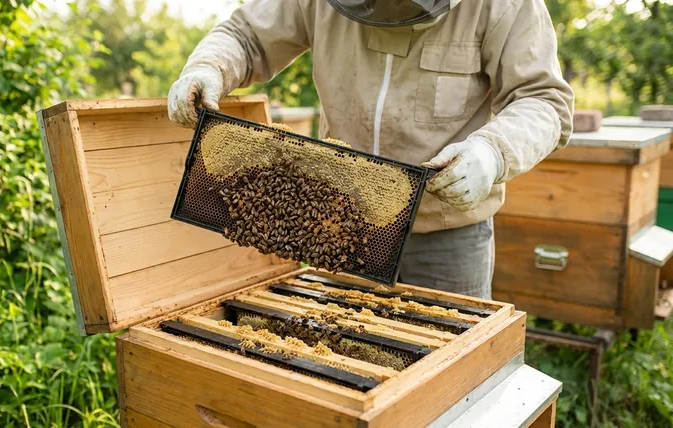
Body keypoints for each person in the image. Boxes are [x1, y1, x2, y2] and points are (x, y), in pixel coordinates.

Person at [167, 0, 575, 299]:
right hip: (339, 228)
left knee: (449, 391)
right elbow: (247, 35)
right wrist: (209, 66)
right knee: (344, 373)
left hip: (445, 239)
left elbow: (543, 99)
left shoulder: (503, 5)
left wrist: (494, 151)